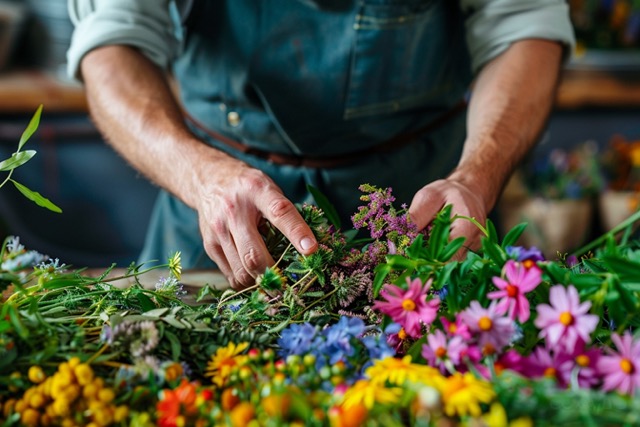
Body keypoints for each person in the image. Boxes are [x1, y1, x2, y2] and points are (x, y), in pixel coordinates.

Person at [67, 0, 574, 290]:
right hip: (216, 216)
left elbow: (524, 28)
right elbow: (113, 46)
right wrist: (201, 176)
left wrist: (475, 179)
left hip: (422, 227)